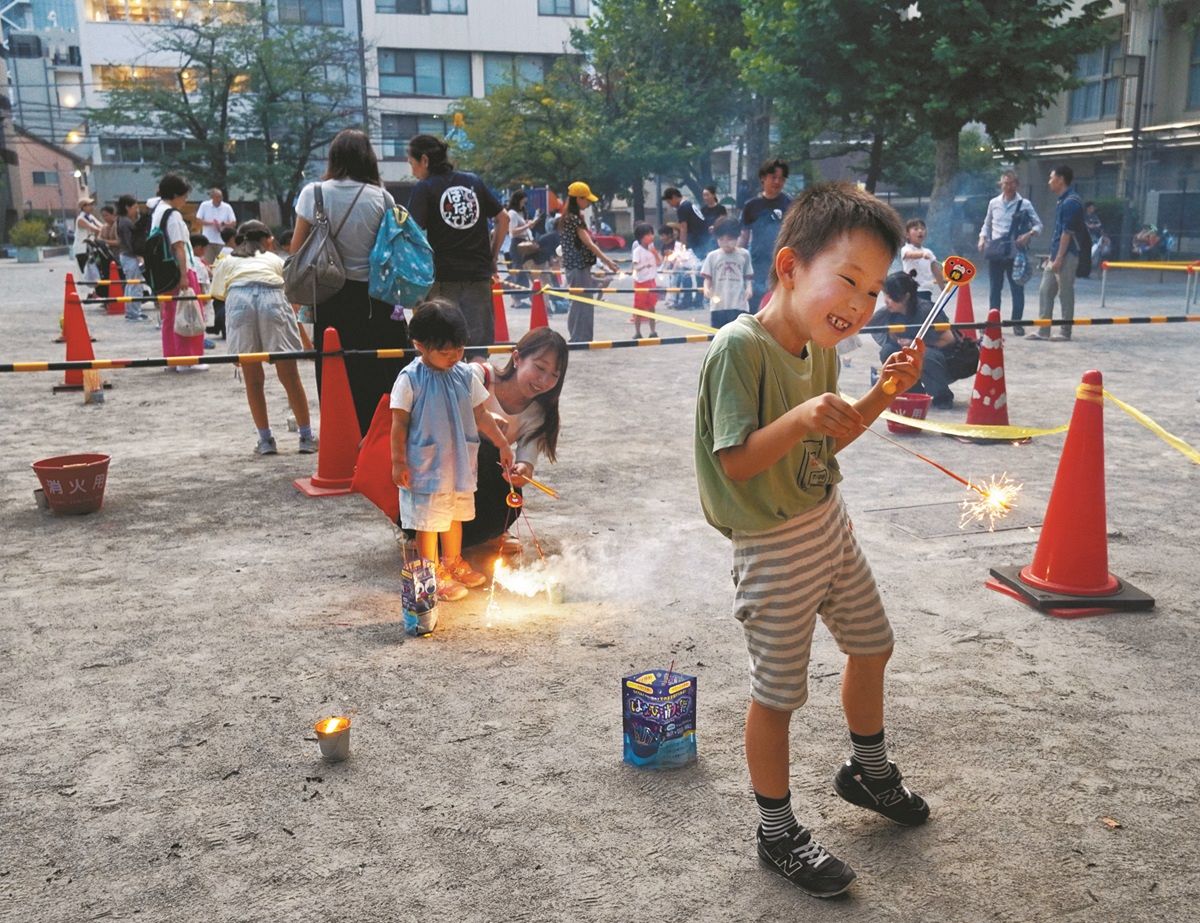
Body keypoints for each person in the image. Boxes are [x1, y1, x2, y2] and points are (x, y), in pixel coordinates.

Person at [694, 181, 928, 899]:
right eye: (848, 280)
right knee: (778, 694)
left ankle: (868, 771)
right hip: (771, 546)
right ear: (789, 267)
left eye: (873, 291)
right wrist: (800, 419)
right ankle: (776, 831)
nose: (860, 305)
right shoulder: (739, 348)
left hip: (828, 523)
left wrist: (882, 392)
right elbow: (736, 462)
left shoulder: (820, 347)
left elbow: (827, 442)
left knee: (873, 643)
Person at [390, 299, 514, 603]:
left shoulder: (465, 375)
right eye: (444, 352)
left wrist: (502, 443)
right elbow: (399, 423)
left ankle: (453, 561)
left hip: (458, 462)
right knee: (428, 521)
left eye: (458, 350)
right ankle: (430, 572)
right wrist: (398, 462)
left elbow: (481, 414)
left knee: (454, 515)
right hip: (425, 465)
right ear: (420, 345)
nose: (453, 357)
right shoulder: (410, 379)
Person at [292, 128, 410, 436]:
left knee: (336, 369)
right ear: (368, 158)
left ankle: (343, 438)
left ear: (334, 158)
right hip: (375, 298)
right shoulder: (383, 197)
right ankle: (378, 439)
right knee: (377, 371)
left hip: (330, 296)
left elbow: (297, 249)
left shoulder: (314, 193)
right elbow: (392, 249)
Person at [209, 220, 316, 456]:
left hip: (239, 298)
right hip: (273, 297)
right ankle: (306, 437)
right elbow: (291, 295)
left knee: (253, 379)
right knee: (290, 377)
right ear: (267, 240)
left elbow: (219, 294)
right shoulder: (274, 259)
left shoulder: (226, 261)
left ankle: (266, 440)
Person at [461, 326, 568, 554]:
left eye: (554, 375)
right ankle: (422, 533)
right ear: (517, 358)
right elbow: (441, 408)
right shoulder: (478, 376)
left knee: (510, 493)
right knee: (487, 449)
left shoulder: (537, 414)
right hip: (445, 471)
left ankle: (491, 534)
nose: (544, 380)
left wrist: (522, 471)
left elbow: (526, 460)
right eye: (540, 367)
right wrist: (482, 419)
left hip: (481, 481)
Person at [407, 134, 508, 347]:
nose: (412, 171)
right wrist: (492, 256)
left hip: (443, 278)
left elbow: (412, 232)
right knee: (478, 346)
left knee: (443, 346)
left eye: (412, 164)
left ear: (424, 160)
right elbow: (503, 218)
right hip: (479, 276)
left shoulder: (425, 188)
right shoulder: (473, 182)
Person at [867, 271, 955, 408]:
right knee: (888, 351)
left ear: (906, 297)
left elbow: (948, 340)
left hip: (942, 357)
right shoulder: (889, 311)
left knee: (924, 355)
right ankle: (913, 391)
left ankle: (942, 396)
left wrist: (915, 343)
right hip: (909, 352)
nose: (886, 301)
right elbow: (867, 324)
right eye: (885, 295)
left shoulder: (926, 310)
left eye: (891, 297)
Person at [147, 174, 207, 370]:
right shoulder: (172, 215)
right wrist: (184, 276)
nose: (185, 200)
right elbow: (178, 246)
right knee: (189, 312)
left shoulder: (157, 211)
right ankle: (188, 359)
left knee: (170, 316)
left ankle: (172, 357)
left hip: (164, 271)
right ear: (174, 195)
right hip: (180, 269)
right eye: (184, 196)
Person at [977, 170, 1042, 337]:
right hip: (997, 250)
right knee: (995, 288)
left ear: (1017, 184)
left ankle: (1017, 323)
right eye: (1005, 183)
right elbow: (987, 224)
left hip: (1015, 251)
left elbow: (1038, 225)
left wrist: (1028, 234)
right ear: (1001, 185)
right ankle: (993, 323)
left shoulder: (1024, 204)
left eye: (1011, 183)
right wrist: (982, 238)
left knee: (1017, 287)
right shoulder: (994, 203)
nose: (1008, 186)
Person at [558, 180, 620, 342]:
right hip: (578, 266)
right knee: (582, 302)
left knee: (578, 301)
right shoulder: (574, 219)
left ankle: (579, 335)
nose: (588, 203)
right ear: (578, 199)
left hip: (574, 266)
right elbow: (589, 244)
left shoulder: (567, 218)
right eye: (586, 199)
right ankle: (580, 337)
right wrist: (608, 262)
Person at [1031, 165, 1082, 341]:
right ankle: (1043, 330)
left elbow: (1067, 233)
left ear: (1060, 180)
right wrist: (1052, 256)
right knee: (1045, 289)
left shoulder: (1071, 202)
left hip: (1067, 254)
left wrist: (1059, 257)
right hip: (1056, 254)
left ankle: (1065, 331)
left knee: (1065, 291)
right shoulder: (1062, 200)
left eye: (1052, 178)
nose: (1049, 182)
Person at [739, 159, 793, 308]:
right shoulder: (751, 206)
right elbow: (744, 236)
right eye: (773, 177)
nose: (777, 182)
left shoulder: (790, 204)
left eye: (781, 179)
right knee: (755, 305)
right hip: (757, 263)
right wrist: (738, 258)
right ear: (763, 178)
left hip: (782, 263)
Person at [701, 216, 753, 329]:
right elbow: (708, 278)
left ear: (737, 237)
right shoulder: (712, 256)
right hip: (718, 305)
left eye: (729, 239)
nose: (725, 243)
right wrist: (706, 288)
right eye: (721, 239)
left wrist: (749, 289)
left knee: (738, 333)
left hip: (739, 303)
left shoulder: (744, 255)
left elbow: (747, 276)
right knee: (718, 333)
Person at [115, 194, 148, 322]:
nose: (137, 210)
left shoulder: (122, 220)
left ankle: (133, 311)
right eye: (135, 207)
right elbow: (131, 242)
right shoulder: (126, 222)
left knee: (131, 285)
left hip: (126, 255)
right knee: (135, 285)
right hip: (130, 256)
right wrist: (139, 255)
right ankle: (134, 312)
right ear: (127, 207)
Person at [504, 191, 538, 307]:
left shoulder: (519, 213)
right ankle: (516, 299)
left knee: (519, 271)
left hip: (522, 243)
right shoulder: (512, 214)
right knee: (519, 271)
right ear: (518, 200)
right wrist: (527, 225)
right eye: (523, 202)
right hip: (517, 244)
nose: (524, 204)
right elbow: (512, 231)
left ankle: (516, 299)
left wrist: (527, 224)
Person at [900, 219, 944, 308]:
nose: (920, 231)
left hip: (926, 290)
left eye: (922, 229)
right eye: (916, 229)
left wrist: (943, 289)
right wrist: (922, 254)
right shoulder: (905, 249)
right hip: (911, 291)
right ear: (907, 234)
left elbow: (936, 271)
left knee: (924, 312)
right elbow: (910, 255)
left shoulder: (928, 252)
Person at [630, 222, 661, 339]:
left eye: (651, 234)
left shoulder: (652, 250)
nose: (651, 237)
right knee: (639, 308)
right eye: (648, 235)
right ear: (641, 237)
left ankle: (653, 331)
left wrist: (655, 254)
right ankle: (637, 332)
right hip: (641, 282)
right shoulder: (637, 251)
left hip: (651, 281)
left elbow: (659, 262)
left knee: (652, 307)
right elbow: (635, 266)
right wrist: (645, 265)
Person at [195, 188, 236, 264]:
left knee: (222, 262)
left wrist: (223, 224)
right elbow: (198, 220)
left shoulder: (227, 207)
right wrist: (212, 223)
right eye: (217, 197)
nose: (219, 199)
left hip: (222, 241)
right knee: (208, 262)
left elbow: (233, 223)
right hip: (208, 240)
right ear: (212, 197)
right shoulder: (204, 205)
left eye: (221, 197)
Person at [72, 197, 104, 274]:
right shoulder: (80, 219)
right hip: (81, 249)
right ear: (83, 207)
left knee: (94, 271)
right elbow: (95, 229)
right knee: (85, 272)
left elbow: (101, 226)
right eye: (89, 205)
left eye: (91, 205)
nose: (91, 207)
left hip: (90, 247)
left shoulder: (90, 217)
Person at [700, 185, 728, 249]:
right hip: (705, 238)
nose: (705, 197)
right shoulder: (702, 210)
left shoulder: (721, 209)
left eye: (707, 195)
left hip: (718, 237)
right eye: (704, 195)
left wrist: (715, 227)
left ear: (714, 195)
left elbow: (725, 222)